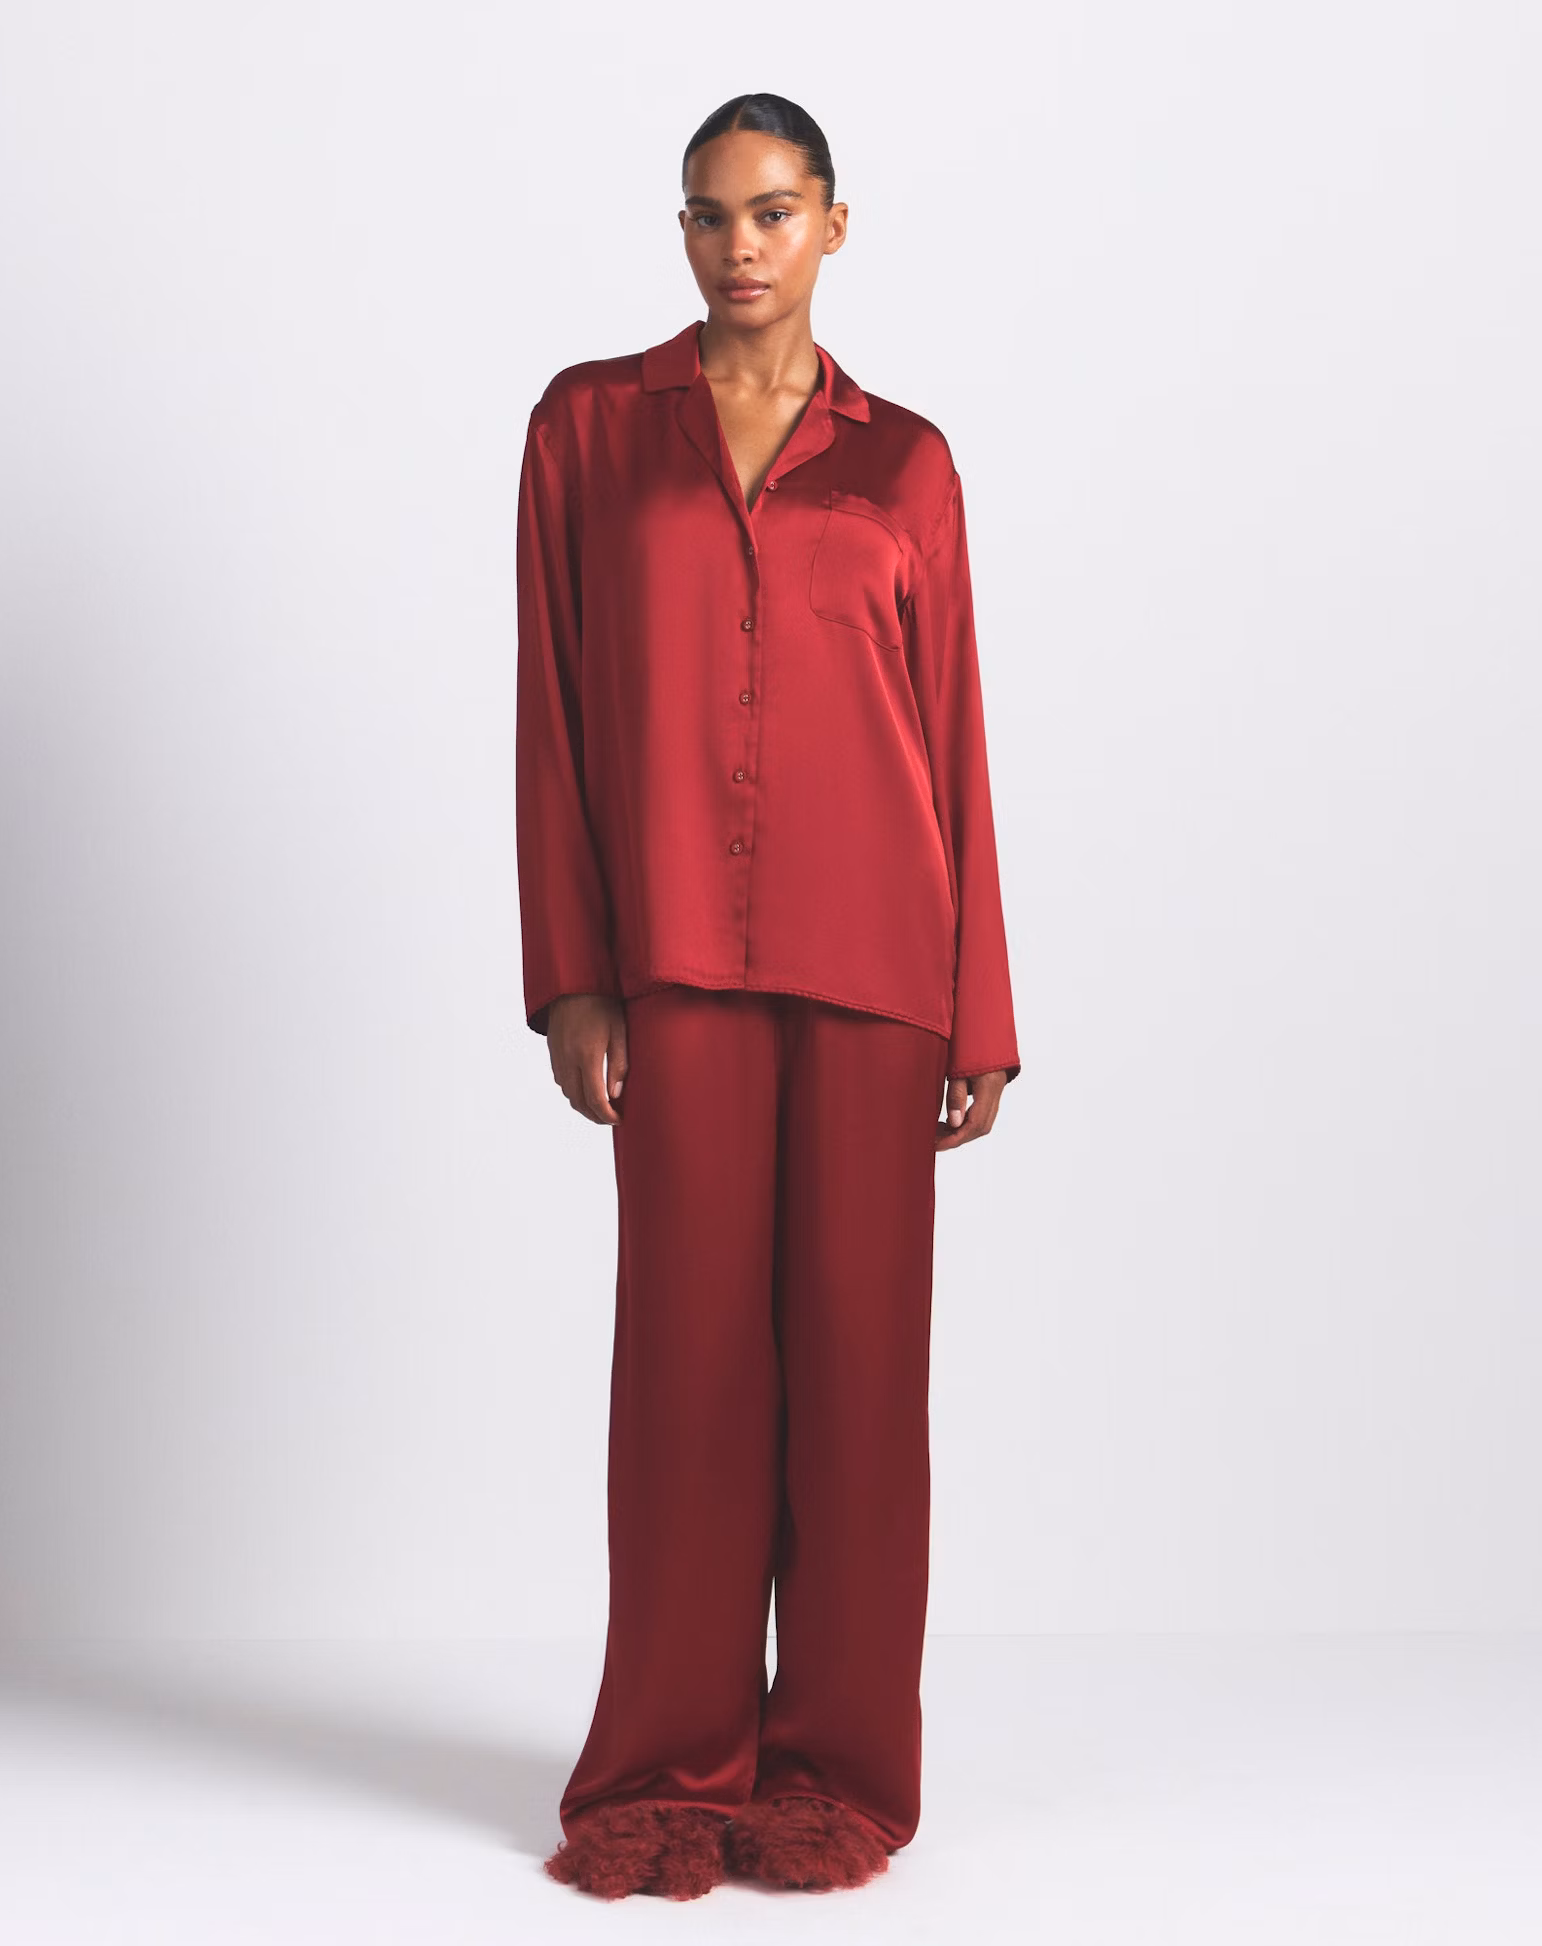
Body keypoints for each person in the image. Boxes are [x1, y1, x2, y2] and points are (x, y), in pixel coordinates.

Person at [516, 91, 1021, 1902]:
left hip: (880, 966)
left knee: (861, 1379)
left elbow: (949, 734)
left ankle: (837, 1766)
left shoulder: (907, 464)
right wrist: (572, 977)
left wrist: (979, 1012)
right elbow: (552, 710)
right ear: (681, 230)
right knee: (687, 1370)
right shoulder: (590, 431)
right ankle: (666, 1760)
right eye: (710, 214)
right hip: (674, 963)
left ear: (832, 225)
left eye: (774, 211)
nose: (740, 245)